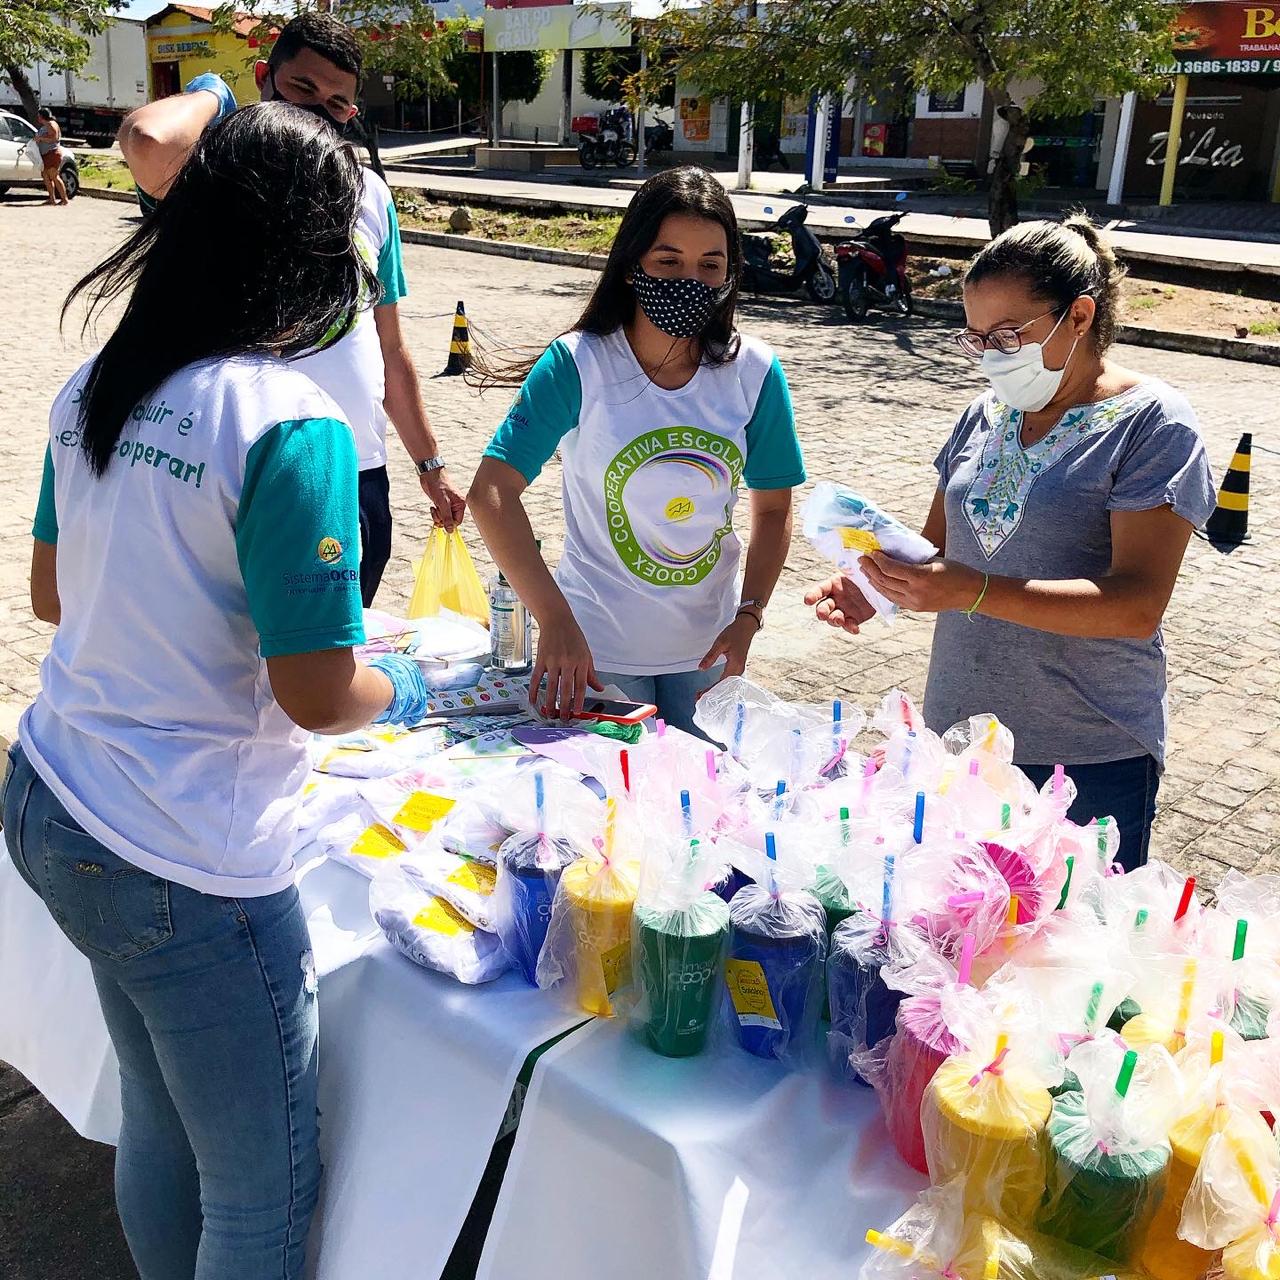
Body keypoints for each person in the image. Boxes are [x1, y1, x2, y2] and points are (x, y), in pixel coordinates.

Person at [3, 103, 432, 1280]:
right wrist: (404, 680)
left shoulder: (101, 381)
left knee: (159, 1114)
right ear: (308, 253)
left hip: (56, 795)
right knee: (262, 1182)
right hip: (184, 853)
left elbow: (51, 594)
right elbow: (315, 692)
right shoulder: (295, 420)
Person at [806, 215, 1215, 870]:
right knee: (961, 948)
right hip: (960, 744)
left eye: (1007, 335)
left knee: (1062, 956)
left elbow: (1137, 605)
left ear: (1078, 316)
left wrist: (974, 590)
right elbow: (938, 556)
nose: (993, 355)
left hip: (1082, 757)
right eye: (976, 338)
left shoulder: (1151, 423)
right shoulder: (985, 413)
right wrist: (871, 588)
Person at [116, 11, 466, 605]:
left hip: (355, 468)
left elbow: (389, 350)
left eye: (336, 104)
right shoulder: (220, 176)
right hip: (240, 462)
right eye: (302, 88)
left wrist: (429, 465)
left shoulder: (370, 194)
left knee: (336, 651)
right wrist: (210, 95)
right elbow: (150, 141)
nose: (316, 111)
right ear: (264, 77)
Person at [468, 167, 806, 737]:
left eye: (710, 265)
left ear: (730, 274)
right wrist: (554, 620)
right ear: (631, 265)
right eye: (667, 261)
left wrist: (750, 614)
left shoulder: (754, 372)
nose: (689, 280)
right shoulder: (578, 364)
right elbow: (491, 494)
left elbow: (773, 510)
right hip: (595, 653)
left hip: (710, 655)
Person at [34, 108, 69, 206]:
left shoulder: (50, 124)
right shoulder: (45, 125)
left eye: (38, 116)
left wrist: (40, 138)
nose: (38, 118)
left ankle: (64, 199)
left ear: (41, 116)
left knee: (54, 176)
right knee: (45, 176)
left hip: (52, 153)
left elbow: (54, 138)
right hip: (45, 154)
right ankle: (51, 199)